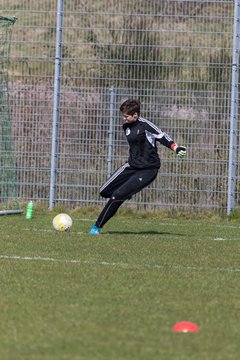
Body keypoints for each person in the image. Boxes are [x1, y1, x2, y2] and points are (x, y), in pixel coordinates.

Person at [89, 99, 186, 234]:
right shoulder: (126, 127)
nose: (124, 119)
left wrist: (175, 148)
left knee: (117, 195)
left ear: (135, 115)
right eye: (123, 116)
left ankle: (96, 228)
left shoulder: (145, 125)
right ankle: (124, 194)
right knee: (104, 191)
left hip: (148, 169)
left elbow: (162, 135)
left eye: (126, 116)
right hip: (131, 166)